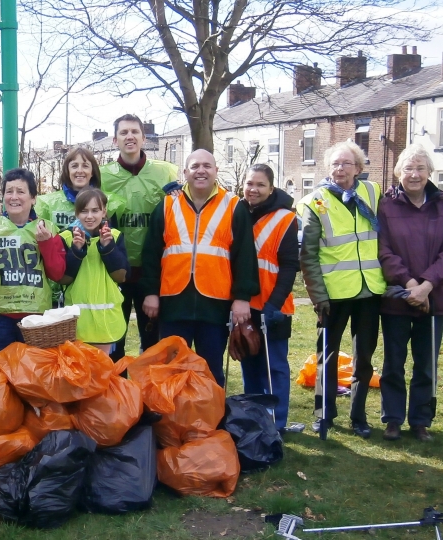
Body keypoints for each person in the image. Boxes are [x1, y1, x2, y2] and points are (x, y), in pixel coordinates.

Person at [140, 149, 259, 386]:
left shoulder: (233, 206)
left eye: (207, 166)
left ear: (216, 171)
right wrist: (150, 292)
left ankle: (210, 421)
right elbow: (151, 253)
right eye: (194, 166)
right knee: (172, 369)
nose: (201, 171)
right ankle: (171, 422)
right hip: (173, 302)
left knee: (210, 369)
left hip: (215, 302)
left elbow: (245, 254)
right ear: (185, 173)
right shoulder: (166, 205)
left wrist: (242, 297)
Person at [297, 141, 384, 438]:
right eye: (335, 163)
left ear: (358, 168)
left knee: (364, 358)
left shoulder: (372, 192)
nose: (340, 169)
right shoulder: (315, 201)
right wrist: (317, 296)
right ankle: (324, 414)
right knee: (327, 357)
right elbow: (307, 254)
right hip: (333, 295)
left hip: (370, 290)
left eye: (346, 163)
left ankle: (359, 416)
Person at [100, 114, 179, 360]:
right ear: (115, 140)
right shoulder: (102, 176)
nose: (129, 136)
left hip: (153, 270)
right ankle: (117, 394)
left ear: (144, 138)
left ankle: (151, 396)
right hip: (115, 270)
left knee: (154, 343)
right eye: (123, 132)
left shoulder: (165, 172)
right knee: (114, 340)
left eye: (134, 131)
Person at [378, 144, 441, 442]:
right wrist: (410, 284)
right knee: (393, 362)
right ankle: (392, 419)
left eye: (420, 168)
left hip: (435, 299)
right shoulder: (386, 206)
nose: (414, 175)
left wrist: (427, 285)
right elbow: (384, 250)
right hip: (397, 298)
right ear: (398, 172)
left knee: (426, 364)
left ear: (430, 172)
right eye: (408, 168)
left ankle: (420, 420)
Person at [0, 168, 66, 367]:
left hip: (36, 319)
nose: (14, 197)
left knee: (34, 378)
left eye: (21, 191)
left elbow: (58, 274)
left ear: (33, 198)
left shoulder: (47, 228)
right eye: (9, 191)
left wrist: (46, 244)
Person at [237, 164, 298, 432]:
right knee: (249, 364)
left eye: (260, 185)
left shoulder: (285, 218)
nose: (254, 189)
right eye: (250, 184)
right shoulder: (238, 213)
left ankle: (277, 423)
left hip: (274, 304)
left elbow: (288, 266)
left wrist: (273, 304)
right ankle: (254, 418)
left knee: (274, 369)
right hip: (244, 304)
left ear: (271, 188)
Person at [59, 188, 130, 353]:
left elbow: (121, 276)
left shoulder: (115, 236)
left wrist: (108, 248)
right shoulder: (66, 237)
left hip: (106, 322)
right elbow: (63, 278)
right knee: (78, 374)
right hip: (76, 322)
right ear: (76, 213)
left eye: (95, 210)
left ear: (104, 211)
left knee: (100, 373)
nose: (89, 216)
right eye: (84, 211)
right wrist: (76, 251)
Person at [35, 147, 125, 229]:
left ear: (92, 171)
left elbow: (115, 241)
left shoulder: (109, 203)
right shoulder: (49, 204)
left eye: (85, 166)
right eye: (74, 166)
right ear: (67, 171)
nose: (80, 170)